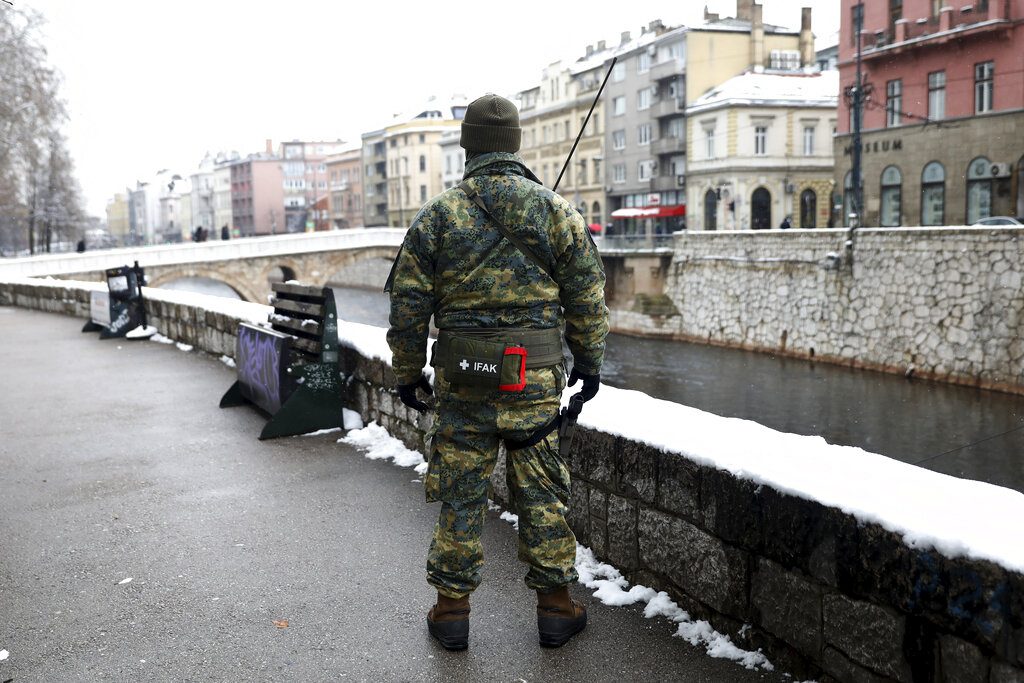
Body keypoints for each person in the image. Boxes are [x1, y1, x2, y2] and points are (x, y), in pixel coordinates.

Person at [386, 93, 608, 651]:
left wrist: (409, 372)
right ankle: (556, 608)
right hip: (532, 382)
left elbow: (409, 306)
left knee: (460, 494)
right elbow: (587, 298)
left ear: (466, 146)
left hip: (463, 383)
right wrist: (590, 363)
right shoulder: (555, 211)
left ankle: (451, 611)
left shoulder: (438, 216)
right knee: (540, 493)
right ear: (514, 143)